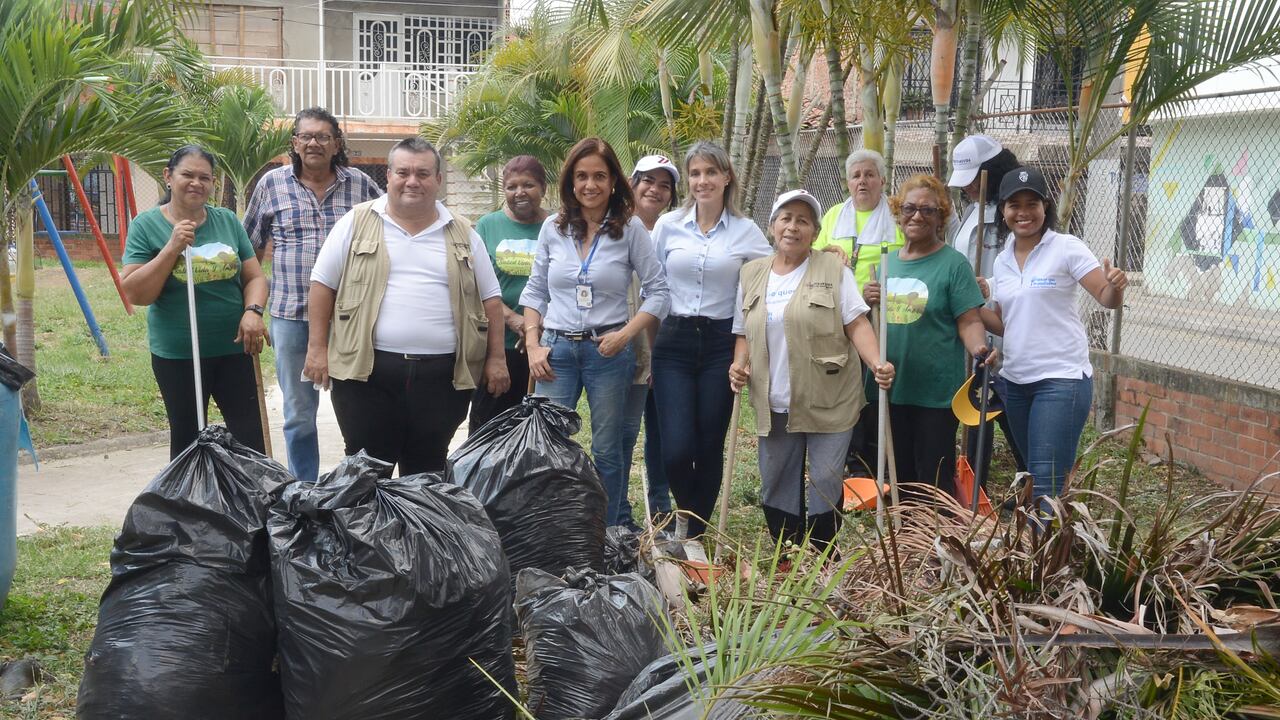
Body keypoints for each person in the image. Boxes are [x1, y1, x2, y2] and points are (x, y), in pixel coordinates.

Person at [304, 137, 510, 475]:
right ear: (389, 176)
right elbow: (322, 284)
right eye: (403, 172)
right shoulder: (356, 222)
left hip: (442, 379)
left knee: (426, 469)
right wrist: (316, 349)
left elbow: (491, 298)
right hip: (365, 376)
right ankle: (367, 514)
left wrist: (496, 358)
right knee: (366, 470)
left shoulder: (462, 232)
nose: (412, 181)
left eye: (423, 174)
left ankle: (417, 512)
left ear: (438, 180)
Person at [729, 190, 894, 549]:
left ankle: (822, 555)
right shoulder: (751, 274)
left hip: (828, 397)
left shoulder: (834, 270)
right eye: (786, 218)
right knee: (776, 478)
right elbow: (744, 332)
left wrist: (876, 362)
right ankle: (786, 553)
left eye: (803, 221)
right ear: (772, 226)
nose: (793, 227)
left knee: (826, 478)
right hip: (774, 400)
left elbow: (857, 323)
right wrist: (739, 365)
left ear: (815, 232)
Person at [521, 137, 670, 527]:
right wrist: (533, 345)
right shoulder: (553, 227)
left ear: (614, 181)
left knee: (608, 450)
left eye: (600, 176)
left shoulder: (630, 228)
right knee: (548, 447)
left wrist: (626, 334)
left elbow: (659, 292)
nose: (590, 185)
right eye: (582, 176)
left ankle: (608, 532)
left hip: (608, 352)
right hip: (555, 352)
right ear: (571, 181)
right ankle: (553, 531)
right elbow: (535, 291)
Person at [243, 107, 382, 482]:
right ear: (294, 143)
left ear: (337, 144)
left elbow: (389, 233)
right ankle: (304, 488)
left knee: (359, 409)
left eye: (323, 136)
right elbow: (250, 251)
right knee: (299, 413)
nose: (314, 143)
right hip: (292, 318)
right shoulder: (271, 185)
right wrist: (251, 307)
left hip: (350, 319)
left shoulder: (361, 186)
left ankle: (360, 485)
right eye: (305, 136)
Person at [979, 166, 1127, 515]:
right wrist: (967, 308)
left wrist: (1116, 287)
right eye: (1015, 205)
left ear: (1045, 206)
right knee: (1034, 476)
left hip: (1060, 380)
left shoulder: (1065, 248)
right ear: (1003, 210)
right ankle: (1049, 542)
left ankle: (1045, 546)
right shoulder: (1002, 260)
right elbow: (1006, 325)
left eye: (1032, 204)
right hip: (1016, 382)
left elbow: (1105, 297)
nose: (1024, 212)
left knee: (1046, 484)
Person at [651, 142, 770, 538]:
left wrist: (828, 256)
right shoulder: (668, 226)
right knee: (676, 447)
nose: (702, 181)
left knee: (708, 443)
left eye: (711, 172)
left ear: (726, 177)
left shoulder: (746, 231)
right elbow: (652, 285)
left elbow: (772, 274)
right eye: (695, 173)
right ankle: (687, 514)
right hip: (673, 341)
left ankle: (694, 533)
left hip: (721, 343)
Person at [121, 146, 270, 458]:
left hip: (236, 348)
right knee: (187, 441)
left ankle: (250, 490)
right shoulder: (145, 226)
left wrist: (253, 312)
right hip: (179, 354)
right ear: (168, 176)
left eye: (205, 177)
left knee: (251, 439)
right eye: (187, 175)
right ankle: (189, 493)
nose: (196, 183)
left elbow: (255, 278)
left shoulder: (227, 221)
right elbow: (136, 293)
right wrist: (172, 248)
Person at [871, 174, 992, 502]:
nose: (917, 216)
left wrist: (979, 349)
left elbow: (969, 320)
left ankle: (935, 531)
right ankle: (906, 530)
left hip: (935, 393)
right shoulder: (886, 263)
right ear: (898, 212)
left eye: (928, 210)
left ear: (941, 217)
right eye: (909, 208)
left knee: (933, 478)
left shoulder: (953, 264)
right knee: (899, 476)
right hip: (891, 388)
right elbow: (873, 325)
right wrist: (869, 302)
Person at [812, 149, 905, 477]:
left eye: (869, 174)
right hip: (839, 316)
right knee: (847, 388)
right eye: (856, 175)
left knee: (877, 384)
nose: (862, 181)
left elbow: (911, 260)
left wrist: (882, 293)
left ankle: (880, 462)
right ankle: (853, 463)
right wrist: (828, 252)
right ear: (847, 182)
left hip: (886, 316)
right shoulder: (834, 215)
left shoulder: (897, 216)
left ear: (882, 180)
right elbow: (814, 257)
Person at [946, 134, 1027, 481]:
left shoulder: (1012, 216)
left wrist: (989, 288)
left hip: (1001, 321)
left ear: (991, 173)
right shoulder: (971, 210)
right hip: (972, 321)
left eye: (973, 181)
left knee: (1006, 405)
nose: (967, 188)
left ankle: (1031, 477)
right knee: (978, 403)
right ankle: (975, 479)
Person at [619, 154, 681, 524]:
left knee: (661, 430)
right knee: (622, 433)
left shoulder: (676, 231)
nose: (655, 190)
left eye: (664, 185)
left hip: (665, 346)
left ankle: (660, 506)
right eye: (648, 180)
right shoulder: (615, 227)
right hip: (624, 346)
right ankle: (618, 510)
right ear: (632, 183)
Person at [467, 155, 549, 432]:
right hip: (499, 346)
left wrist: (537, 327)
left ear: (543, 188)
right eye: (511, 187)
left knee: (538, 430)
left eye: (528, 185)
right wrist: (516, 320)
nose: (519, 192)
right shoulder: (487, 226)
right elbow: (476, 286)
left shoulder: (558, 226)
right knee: (490, 428)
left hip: (548, 345)